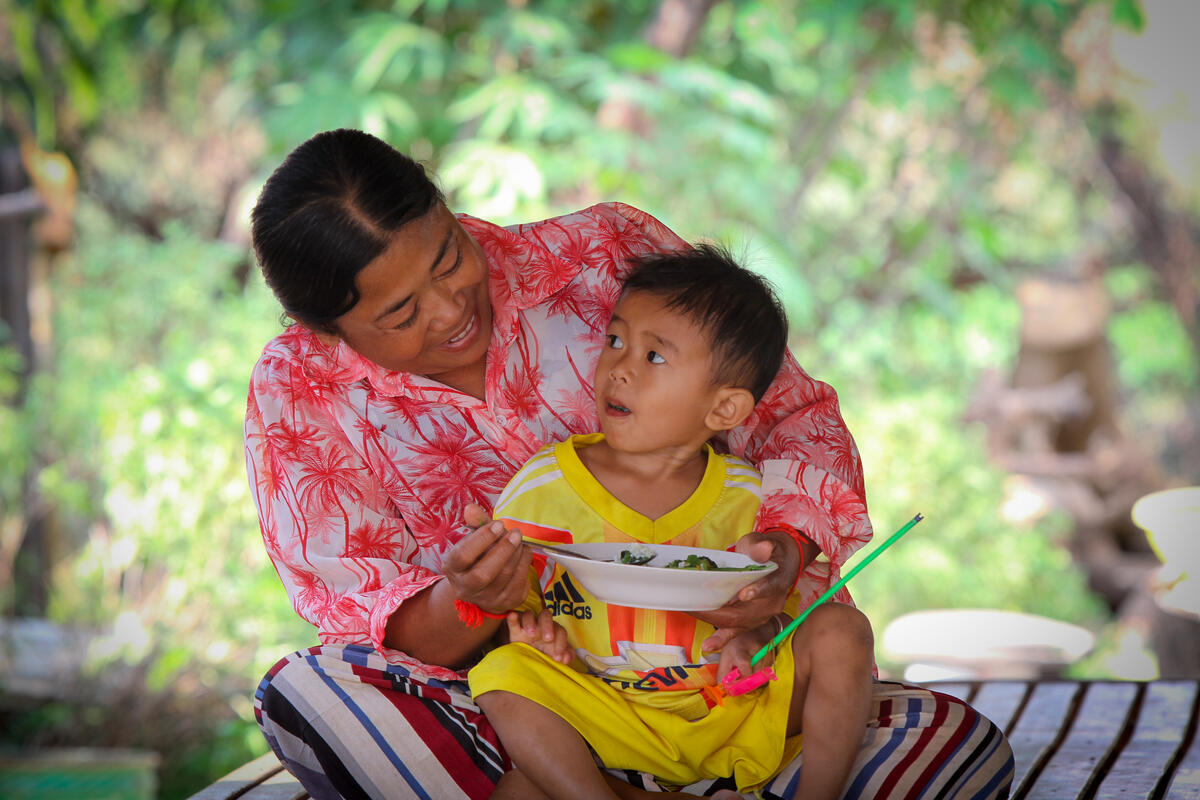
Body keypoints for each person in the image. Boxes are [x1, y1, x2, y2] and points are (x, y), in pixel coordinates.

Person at [245, 128, 1014, 799]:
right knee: (310, 695)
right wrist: (475, 600)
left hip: (720, 681)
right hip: (531, 704)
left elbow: (794, 418)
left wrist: (783, 556)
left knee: (957, 743)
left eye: (450, 259)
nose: (450, 311)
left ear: (446, 208)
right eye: (402, 314)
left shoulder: (603, 252)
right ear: (323, 327)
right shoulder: (298, 390)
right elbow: (375, 623)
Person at [468, 244, 876, 800]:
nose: (620, 368)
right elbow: (520, 605)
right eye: (615, 340)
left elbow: (787, 611)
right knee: (503, 678)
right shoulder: (544, 486)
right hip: (605, 711)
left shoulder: (750, 502)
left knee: (843, 631)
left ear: (724, 410)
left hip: (730, 709)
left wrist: (758, 633)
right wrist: (542, 641)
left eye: (654, 357)